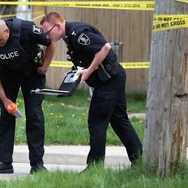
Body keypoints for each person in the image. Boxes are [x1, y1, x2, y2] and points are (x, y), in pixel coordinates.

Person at [40, 12, 142, 170]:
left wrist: (88, 71)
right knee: (119, 120)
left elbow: (104, 48)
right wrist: (75, 71)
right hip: (114, 77)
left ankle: (94, 166)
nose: (47, 36)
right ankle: (139, 160)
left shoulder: (78, 33)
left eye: (48, 32)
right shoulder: (70, 36)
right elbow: (86, 57)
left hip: (109, 80)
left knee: (96, 122)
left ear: (58, 26)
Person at [0, 17, 55, 174]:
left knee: (34, 115)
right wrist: (5, 99)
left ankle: (37, 164)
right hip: (7, 76)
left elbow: (51, 43)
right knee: (6, 116)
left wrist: (45, 67)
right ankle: (4, 162)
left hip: (32, 74)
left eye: (0, 40)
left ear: (7, 31)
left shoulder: (27, 29)